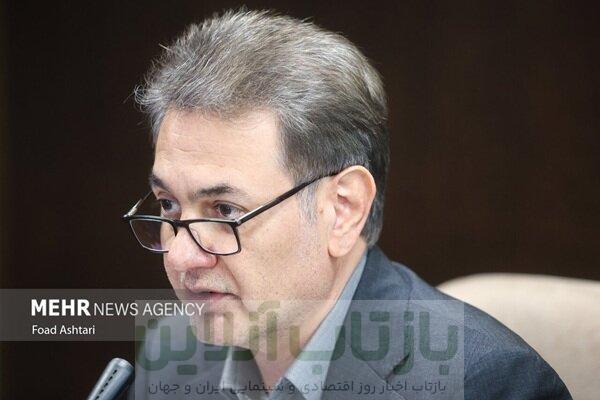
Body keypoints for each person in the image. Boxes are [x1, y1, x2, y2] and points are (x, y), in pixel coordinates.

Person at [123, 9, 571, 400]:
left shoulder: (485, 384)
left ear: (343, 210)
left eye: (225, 211)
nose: (180, 256)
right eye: (169, 205)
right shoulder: (171, 355)